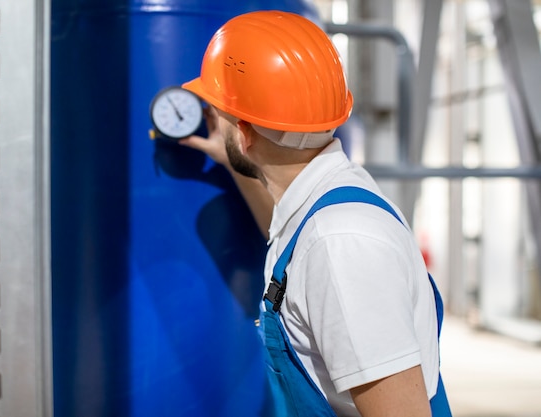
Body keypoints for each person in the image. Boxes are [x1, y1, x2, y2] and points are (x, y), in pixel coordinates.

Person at [179, 10, 451, 417]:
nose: (214, 117)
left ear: (247, 133)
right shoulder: (323, 204)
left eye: (220, 110)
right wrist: (232, 157)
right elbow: (294, 250)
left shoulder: (340, 244)